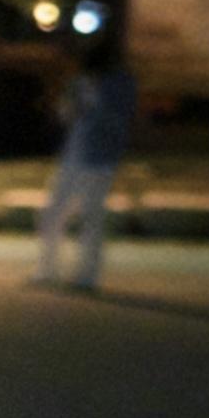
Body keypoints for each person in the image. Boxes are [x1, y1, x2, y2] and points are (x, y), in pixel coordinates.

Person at [32, 23, 140, 290]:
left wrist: (93, 99)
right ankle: (47, 270)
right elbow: (65, 115)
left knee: (90, 216)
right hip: (74, 154)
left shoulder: (120, 82)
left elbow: (119, 119)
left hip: (100, 158)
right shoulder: (81, 81)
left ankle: (86, 275)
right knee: (54, 212)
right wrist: (70, 100)